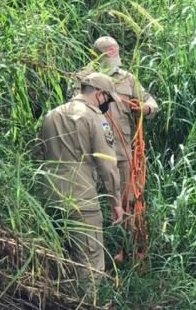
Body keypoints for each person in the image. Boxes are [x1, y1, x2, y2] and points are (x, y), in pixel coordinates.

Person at [40, 72, 123, 281]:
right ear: (101, 94)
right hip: (82, 197)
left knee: (58, 259)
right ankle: (90, 309)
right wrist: (116, 201)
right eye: (109, 99)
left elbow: (38, 153)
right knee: (90, 262)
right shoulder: (95, 118)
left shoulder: (51, 115)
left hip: (49, 196)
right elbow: (107, 164)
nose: (108, 104)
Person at [70, 36, 159, 223]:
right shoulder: (82, 79)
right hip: (90, 149)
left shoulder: (128, 79)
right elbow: (73, 107)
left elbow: (151, 102)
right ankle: (99, 239)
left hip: (122, 149)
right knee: (93, 197)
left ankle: (125, 245)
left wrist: (146, 108)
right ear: (94, 56)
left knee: (128, 198)